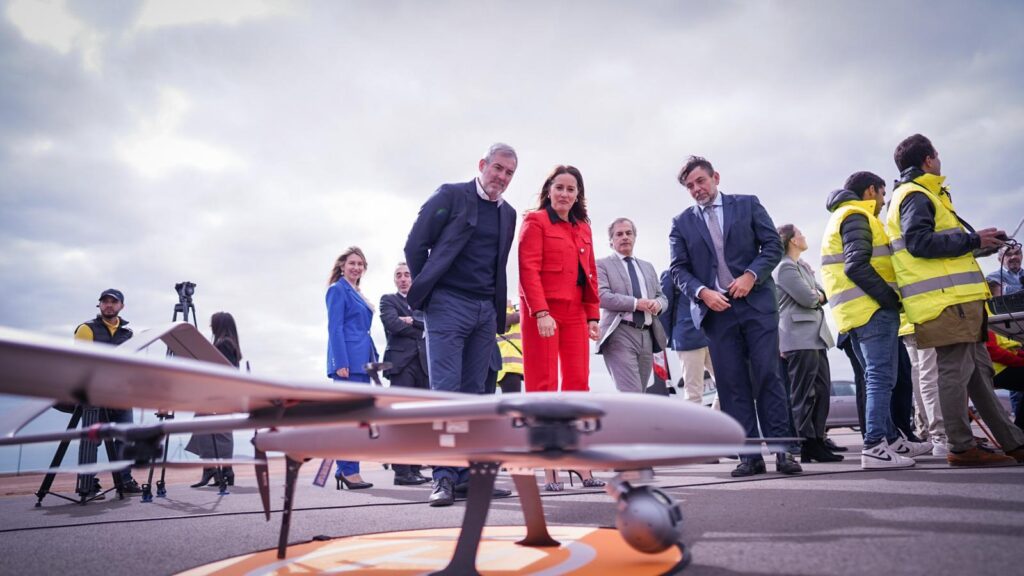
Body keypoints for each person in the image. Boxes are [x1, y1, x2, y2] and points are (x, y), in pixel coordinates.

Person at [887, 134, 1024, 465]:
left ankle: (1013, 442)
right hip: (946, 302)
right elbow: (919, 242)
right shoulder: (916, 195)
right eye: (937, 154)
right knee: (955, 372)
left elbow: (941, 247)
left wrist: (981, 243)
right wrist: (972, 239)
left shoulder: (922, 195)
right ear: (929, 160)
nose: (939, 159)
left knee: (977, 373)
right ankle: (961, 447)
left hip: (958, 300)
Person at [669, 156, 801, 477]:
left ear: (715, 177)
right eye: (690, 186)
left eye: (700, 181)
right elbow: (678, 270)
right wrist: (703, 293)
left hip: (755, 304)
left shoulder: (748, 204)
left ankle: (783, 451)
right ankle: (749, 456)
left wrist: (751, 276)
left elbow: (771, 245)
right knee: (731, 384)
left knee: (768, 375)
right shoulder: (681, 223)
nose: (696, 189)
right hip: (716, 311)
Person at [404, 143, 518, 507]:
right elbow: (415, 245)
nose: (501, 177)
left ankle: (470, 477)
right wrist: (432, 292)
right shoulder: (451, 195)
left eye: (509, 173)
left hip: (485, 310)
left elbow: (497, 263)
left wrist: (493, 308)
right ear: (482, 164)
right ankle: (443, 477)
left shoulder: (508, 214)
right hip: (448, 305)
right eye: (497, 168)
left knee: (477, 397)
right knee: (446, 395)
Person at [821, 172, 933, 469]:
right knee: (881, 378)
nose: (884, 201)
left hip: (855, 313)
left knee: (877, 378)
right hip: (871, 310)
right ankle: (874, 446)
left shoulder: (842, 216)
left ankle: (890, 440)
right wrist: (890, 299)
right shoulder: (857, 215)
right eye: (883, 194)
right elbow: (856, 265)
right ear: (870, 190)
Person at [518, 165, 604, 491]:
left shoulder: (583, 227)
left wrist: (592, 315)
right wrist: (540, 312)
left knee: (577, 386)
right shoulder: (535, 221)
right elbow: (528, 269)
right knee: (542, 386)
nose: (565, 194)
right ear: (549, 190)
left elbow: (590, 272)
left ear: (578, 194)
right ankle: (548, 466)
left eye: (571, 189)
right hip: (544, 313)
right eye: (560, 188)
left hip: (575, 314)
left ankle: (578, 462)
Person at [774, 224, 841, 463]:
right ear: (792, 240)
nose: (804, 236)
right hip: (798, 338)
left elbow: (821, 292)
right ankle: (806, 443)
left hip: (816, 337)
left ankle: (818, 440)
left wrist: (817, 293)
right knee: (803, 394)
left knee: (822, 390)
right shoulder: (784, 268)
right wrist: (817, 295)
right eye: (800, 233)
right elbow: (809, 298)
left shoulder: (801, 266)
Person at [73, 288, 142, 495]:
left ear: (121, 306)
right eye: (105, 301)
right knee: (92, 440)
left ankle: (125, 480)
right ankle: (87, 484)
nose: (109, 305)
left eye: (114, 302)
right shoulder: (86, 329)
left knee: (125, 438)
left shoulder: (128, 334)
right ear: (99, 305)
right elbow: (81, 363)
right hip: (94, 394)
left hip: (121, 395)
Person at [326, 246, 379, 489]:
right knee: (349, 420)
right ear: (342, 266)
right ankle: (347, 471)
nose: (356, 267)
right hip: (347, 363)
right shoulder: (338, 290)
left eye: (360, 264)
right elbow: (335, 328)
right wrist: (341, 363)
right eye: (352, 263)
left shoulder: (356, 292)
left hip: (361, 361)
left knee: (359, 420)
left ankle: (349, 470)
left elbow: (363, 331)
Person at [596, 218, 668, 393]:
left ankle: (631, 421)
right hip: (620, 333)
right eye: (619, 234)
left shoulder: (647, 266)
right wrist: (636, 304)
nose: (625, 237)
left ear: (635, 237)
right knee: (632, 393)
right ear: (611, 241)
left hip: (647, 335)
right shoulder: (602, 264)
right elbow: (601, 296)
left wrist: (657, 304)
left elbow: (662, 297)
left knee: (640, 394)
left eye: (629, 233)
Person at [379, 262, 431, 486]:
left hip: (423, 365)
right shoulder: (388, 300)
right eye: (398, 275)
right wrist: (419, 327)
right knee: (402, 421)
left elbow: (432, 325)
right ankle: (401, 472)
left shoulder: (423, 301)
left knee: (420, 421)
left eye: (407, 274)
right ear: (394, 280)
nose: (403, 278)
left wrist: (415, 321)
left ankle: (415, 469)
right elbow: (393, 324)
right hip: (400, 365)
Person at [186, 311, 242, 488]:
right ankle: (219, 471)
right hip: (222, 393)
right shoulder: (228, 343)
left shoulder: (224, 344)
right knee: (210, 429)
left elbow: (224, 371)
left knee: (216, 431)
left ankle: (217, 470)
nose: (210, 326)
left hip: (219, 394)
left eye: (212, 323)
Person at [659, 269, 716, 405]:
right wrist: (674, 336)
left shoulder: (705, 269)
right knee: (693, 393)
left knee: (727, 384)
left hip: (712, 335)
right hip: (687, 338)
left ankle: (714, 422)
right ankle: (694, 426)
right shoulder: (669, 275)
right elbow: (664, 312)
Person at [984, 280, 1024, 430]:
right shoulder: (987, 312)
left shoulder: (992, 311)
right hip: (996, 370)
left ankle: (1020, 430)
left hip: (1002, 366)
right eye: (1002, 294)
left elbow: (1008, 346)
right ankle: (1020, 431)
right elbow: (993, 351)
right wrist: (1020, 362)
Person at [495, 300, 524, 393]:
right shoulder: (505, 315)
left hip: (509, 367)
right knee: (512, 399)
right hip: (508, 367)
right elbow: (519, 316)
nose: (510, 300)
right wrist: (524, 308)